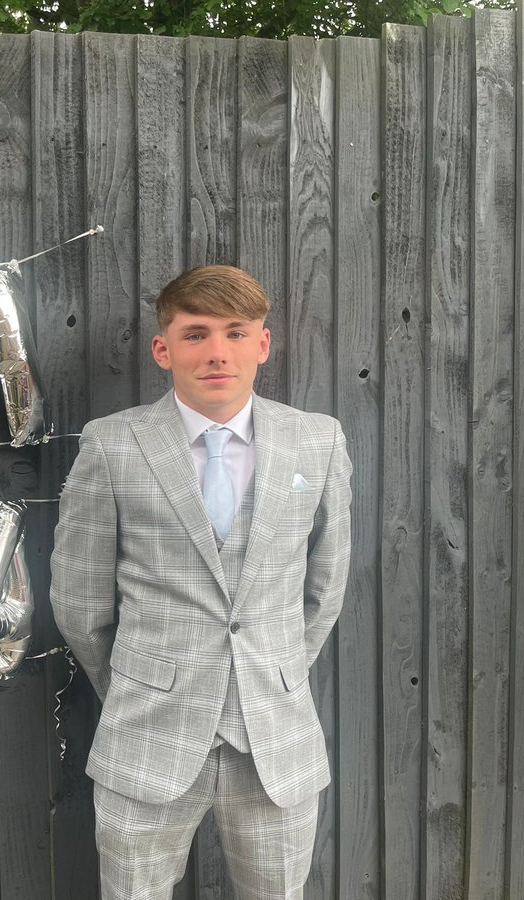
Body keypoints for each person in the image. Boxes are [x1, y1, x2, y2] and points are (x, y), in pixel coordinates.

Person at [50, 265, 352, 900]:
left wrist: (275, 671)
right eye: (195, 334)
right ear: (164, 349)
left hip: (276, 739)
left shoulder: (317, 442)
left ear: (262, 345)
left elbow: (325, 586)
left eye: (236, 332)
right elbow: (79, 601)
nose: (217, 351)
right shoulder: (113, 446)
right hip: (146, 737)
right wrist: (144, 681)